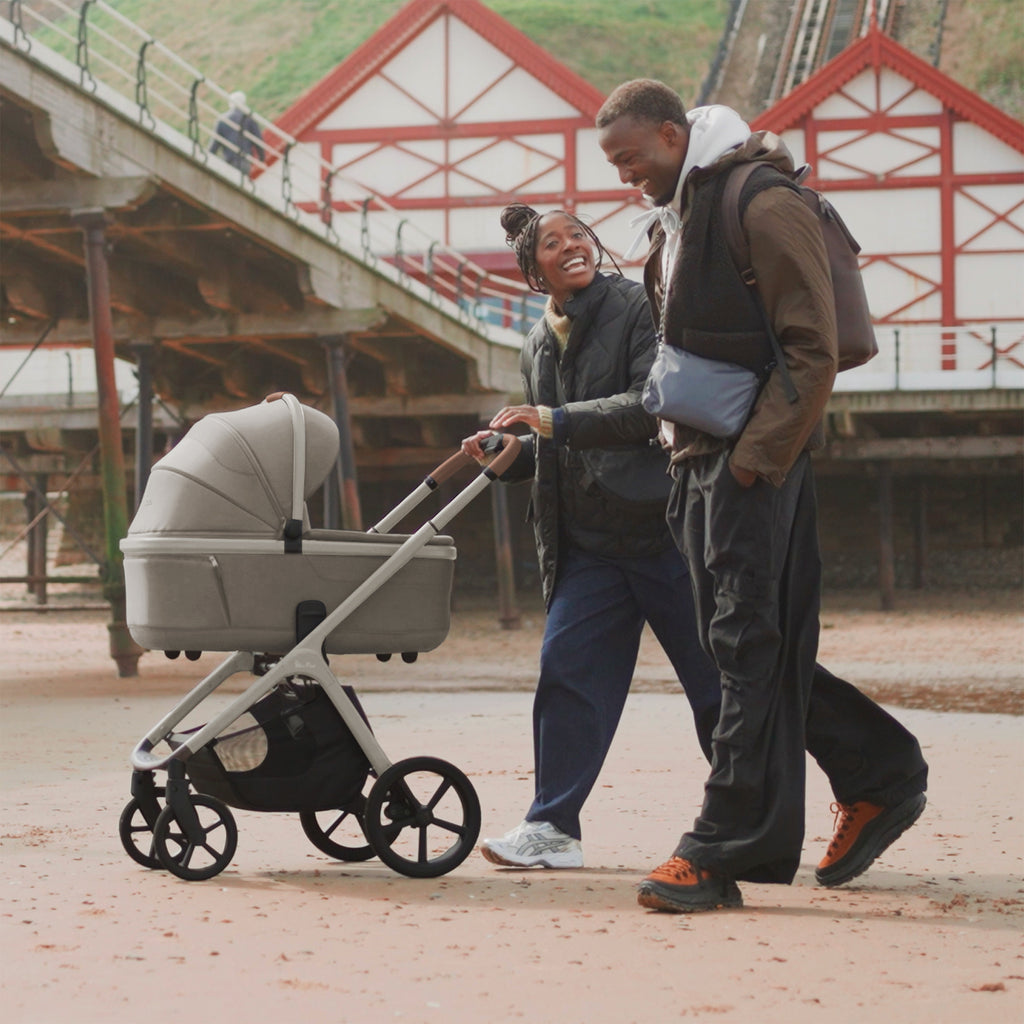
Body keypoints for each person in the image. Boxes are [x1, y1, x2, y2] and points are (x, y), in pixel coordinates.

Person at [595, 80, 929, 912]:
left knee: (745, 649)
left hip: (750, 465)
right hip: (695, 463)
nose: (624, 175)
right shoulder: (675, 218)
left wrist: (751, 464)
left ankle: (718, 849)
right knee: (745, 652)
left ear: (672, 134)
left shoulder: (761, 200)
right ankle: (879, 773)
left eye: (630, 157)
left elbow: (813, 348)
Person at [462, 203, 722, 869]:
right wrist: (510, 457)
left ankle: (748, 819)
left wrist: (550, 420)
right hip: (588, 548)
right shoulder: (534, 342)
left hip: (664, 533)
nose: (572, 246)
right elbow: (553, 445)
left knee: (716, 688)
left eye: (577, 234)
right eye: (553, 243)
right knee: (567, 677)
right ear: (533, 268)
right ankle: (552, 828)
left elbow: (652, 405)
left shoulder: (637, 306)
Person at [209, 91, 264, 175]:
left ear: (230, 103)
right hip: (244, 161)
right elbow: (257, 139)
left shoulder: (222, 120)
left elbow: (214, 145)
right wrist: (262, 157)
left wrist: (208, 158)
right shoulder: (248, 117)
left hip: (229, 162)